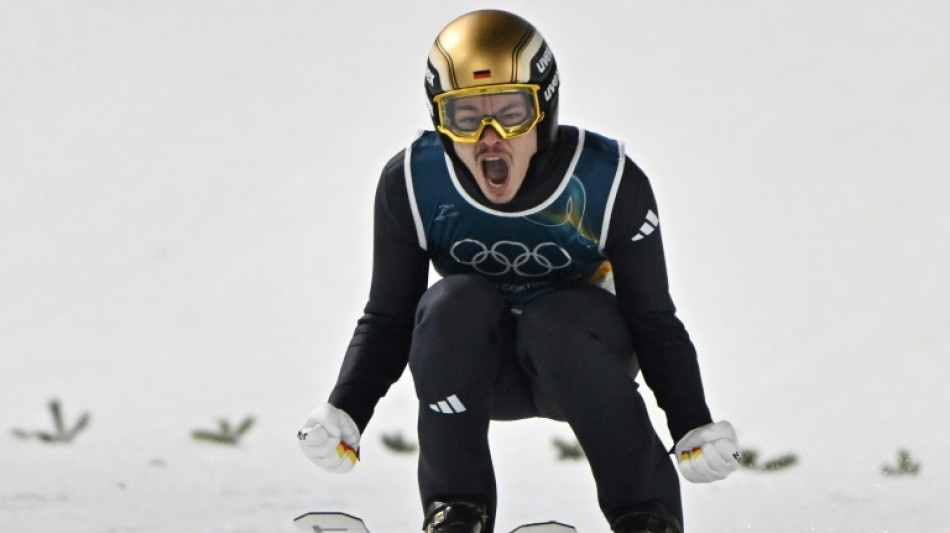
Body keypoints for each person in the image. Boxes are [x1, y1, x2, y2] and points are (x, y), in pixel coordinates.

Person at [298, 9, 741, 533]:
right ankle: (456, 511)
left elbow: (654, 320)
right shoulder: (414, 183)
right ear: (441, 123)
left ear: (545, 111)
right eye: (466, 117)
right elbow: (390, 316)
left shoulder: (606, 182)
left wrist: (691, 421)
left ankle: (644, 513)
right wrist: (346, 408)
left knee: (554, 319)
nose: (490, 138)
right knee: (450, 304)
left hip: (582, 358)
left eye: (511, 113)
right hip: (482, 370)